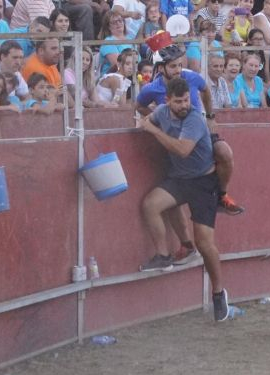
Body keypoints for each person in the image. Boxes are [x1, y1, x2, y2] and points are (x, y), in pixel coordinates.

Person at [138, 77, 236, 322]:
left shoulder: (194, 118)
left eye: (186, 100)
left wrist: (152, 129)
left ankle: (218, 292)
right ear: (167, 100)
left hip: (203, 182)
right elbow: (143, 117)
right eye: (179, 101)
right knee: (151, 204)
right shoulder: (161, 112)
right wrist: (147, 122)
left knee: (206, 244)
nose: (184, 105)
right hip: (180, 179)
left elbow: (182, 150)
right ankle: (163, 255)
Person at [136, 45, 244, 265]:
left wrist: (211, 116)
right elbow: (139, 105)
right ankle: (181, 248)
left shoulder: (191, 78)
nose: (178, 70)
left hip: (198, 135)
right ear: (161, 68)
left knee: (224, 151)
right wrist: (161, 120)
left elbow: (205, 90)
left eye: (180, 65)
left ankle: (222, 195)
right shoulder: (152, 90)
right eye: (173, 66)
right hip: (179, 147)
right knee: (171, 197)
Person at [98, 11, 135, 76]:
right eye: (114, 22)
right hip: (113, 79)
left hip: (132, 75)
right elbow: (118, 64)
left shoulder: (130, 39)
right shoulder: (108, 42)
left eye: (120, 20)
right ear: (108, 27)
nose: (118, 23)